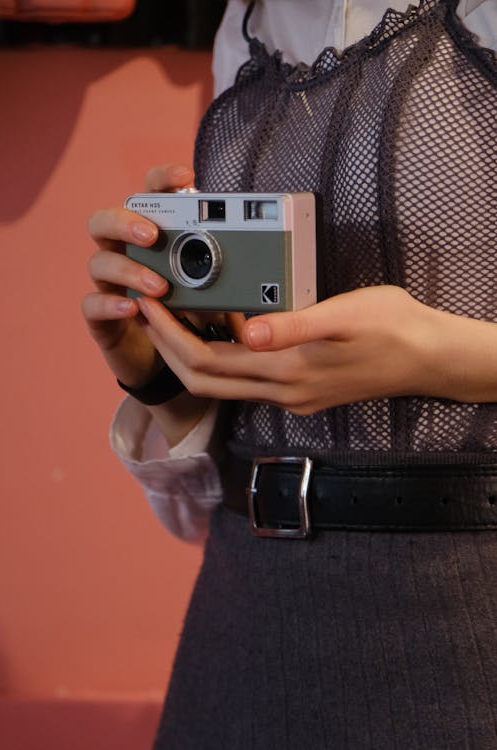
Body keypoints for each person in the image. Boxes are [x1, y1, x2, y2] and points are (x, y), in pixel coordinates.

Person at [83, 0, 497, 747]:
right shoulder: (244, 24)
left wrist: (440, 356)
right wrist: (162, 384)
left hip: (466, 609)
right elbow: (222, 455)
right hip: (241, 618)